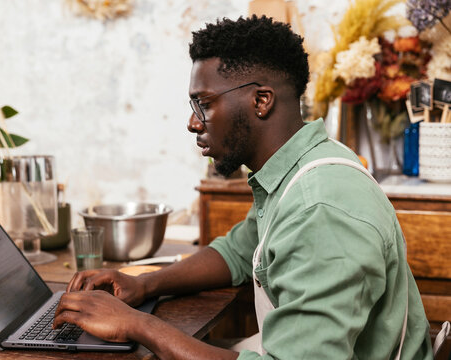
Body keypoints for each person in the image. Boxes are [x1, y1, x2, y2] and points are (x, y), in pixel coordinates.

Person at [53, 15, 433, 359]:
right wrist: (144, 285)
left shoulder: (321, 209)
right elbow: (238, 251)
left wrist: (136, 324)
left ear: (261, 101)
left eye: (203, 104)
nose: (192, 122)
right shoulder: (295, 167)